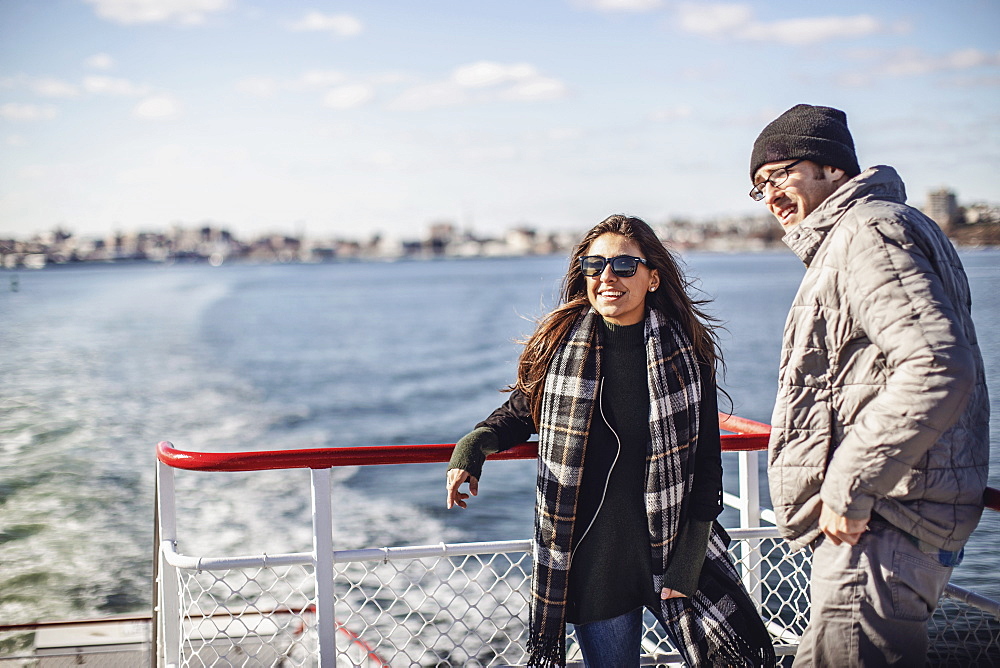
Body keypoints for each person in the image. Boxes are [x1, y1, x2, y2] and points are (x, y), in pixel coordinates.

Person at [446, 215, 775, 667]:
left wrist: (690, 557)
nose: (606, 277)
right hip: (593, 561)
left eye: (623, 265)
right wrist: (473, 447)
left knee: (739, 658)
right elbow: (519, 414)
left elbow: (706, 463)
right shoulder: (558, 347)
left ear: (653, 277)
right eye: (594, 264)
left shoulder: (686, 352)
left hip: (672, 546)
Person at [749, 104, 990, 666]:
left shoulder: (868, 232)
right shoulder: (876, 230)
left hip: (878, 530)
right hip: (881, 529)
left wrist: (849, 485)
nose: (771, 196)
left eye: (780, 174)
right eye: (759, 186)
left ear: (832, 169)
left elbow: (935, 364)